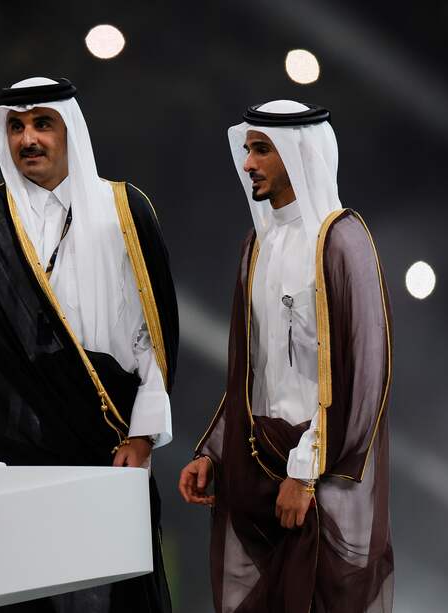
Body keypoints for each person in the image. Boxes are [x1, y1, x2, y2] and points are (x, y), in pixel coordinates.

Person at [0, 77, 177, 613]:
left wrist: (143, 436)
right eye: (16, 127)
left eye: (43, 124)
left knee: (111, 593)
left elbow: (154, 335)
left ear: (70, 131)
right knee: (20, 591)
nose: (28, 139)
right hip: (11, 441)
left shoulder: (123, 210)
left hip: (105, 439)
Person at [179, 100, 393, 612]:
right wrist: (214, 452)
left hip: (320, 480)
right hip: (259, 471)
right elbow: (252, 374)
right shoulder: (258, 245)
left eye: (261, 150)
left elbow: (366, 374)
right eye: (247, 149)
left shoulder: (342, 240)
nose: (248, 163)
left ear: (299, 154)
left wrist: (304, 472)